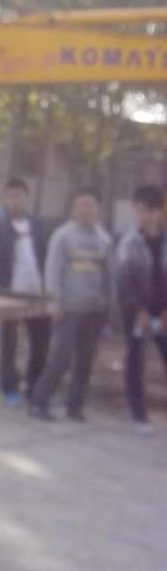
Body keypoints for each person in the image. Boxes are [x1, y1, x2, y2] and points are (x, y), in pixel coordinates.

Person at [28, 187, 113, 421]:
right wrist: (54, 302)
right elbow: (52, 271)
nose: (85, 210)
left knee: (85, 361)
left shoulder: (104, 239)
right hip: (68, 309)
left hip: (94, 310)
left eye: (89, 205)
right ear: (74, 209)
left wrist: (107, 307)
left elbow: (108, 276)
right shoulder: (62, 236)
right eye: (80, 205)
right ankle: (38, 402)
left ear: (98, 208)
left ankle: (74, 407)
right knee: (61, 358)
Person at [0, 177, 51, 404]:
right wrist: (4, 292)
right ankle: (9, 387)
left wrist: (46, 289)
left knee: (41, 342)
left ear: (26, 198)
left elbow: (46, 256)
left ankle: (34, 386)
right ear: (4, 199)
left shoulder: (38, 225)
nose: (15, 200)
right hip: (11, 294)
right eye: (10, 196)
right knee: (9, 344)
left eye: (19, 196)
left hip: (37, 293)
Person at [115, 183, 167, 433]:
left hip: (163, 312)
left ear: (159, 211)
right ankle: (138, 414)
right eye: (139, 210)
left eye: (149, 210)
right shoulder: (129, 242)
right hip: (136, 313)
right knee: (135, 360)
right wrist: (140, 311)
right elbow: (124, 282)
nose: (144, 215)